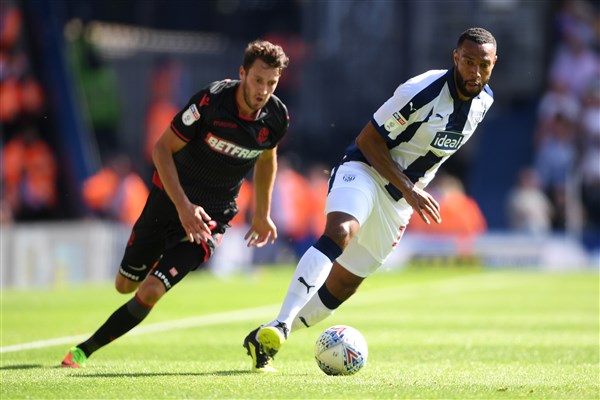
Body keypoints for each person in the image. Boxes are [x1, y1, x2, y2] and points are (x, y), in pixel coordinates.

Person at [243, 27, 498, 372]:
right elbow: (368, 140)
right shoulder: (421, 91)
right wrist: (410, 187)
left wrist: (408, 192)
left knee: (345, 284)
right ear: (455, 58)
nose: (475, 72)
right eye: (468, 62)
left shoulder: (484, 102)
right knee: (341, 231)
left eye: (484, 64)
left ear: (494, 63)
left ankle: (264, 338)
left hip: (400, 201)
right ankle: (282, 324)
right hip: (365, 170)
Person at [61, 39, 290, 368]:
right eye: (257, 80)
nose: (263, 90)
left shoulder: (276, 117)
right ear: (242, 73)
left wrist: (263, 214)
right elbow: (161, 150)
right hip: (170, 202)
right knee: (125, 285)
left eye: (271, 83)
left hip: (210, 218)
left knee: (152, 291)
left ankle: (83, 350)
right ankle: (151, 256)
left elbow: (268, 159)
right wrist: (183, 207)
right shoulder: (211, 102)